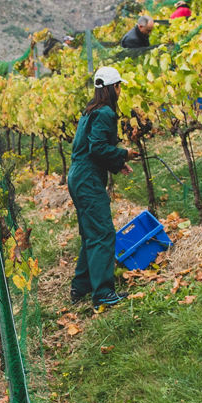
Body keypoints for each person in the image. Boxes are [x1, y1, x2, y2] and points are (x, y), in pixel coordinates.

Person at [67, 66, 136, 308]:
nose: (119, 91)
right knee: (103, 232)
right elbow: (97, 148)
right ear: (112, 88)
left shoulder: (90, 111)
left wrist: (117, 164)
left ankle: (82, 286)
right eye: (118, 86)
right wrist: (124, 154)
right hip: (87, 179)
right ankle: (103, 293)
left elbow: (90, 149)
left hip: (78, 175)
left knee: (90, 233)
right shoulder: (105, 113)